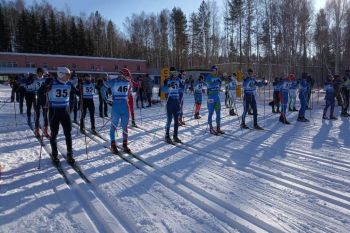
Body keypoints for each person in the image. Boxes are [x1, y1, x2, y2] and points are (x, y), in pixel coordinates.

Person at [40, 67, 75, 165]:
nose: (69, 77)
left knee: (68, 133)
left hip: (65, 111)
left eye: (69, 75)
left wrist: (80, 86)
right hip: (54, 111)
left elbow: (74, 93)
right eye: (67, 75)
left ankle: (70, 153)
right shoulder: (51, 83)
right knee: (54, 134)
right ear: (61, 74)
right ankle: (55, 154)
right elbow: (40, 93)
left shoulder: (69, 83)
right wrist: (44, 86)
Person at [102, 68, 132, 154]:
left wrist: (127, 98)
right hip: (116, 107)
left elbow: (129, 92)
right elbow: (102, 89)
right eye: (127, 76)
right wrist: (107, 100)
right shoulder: (113, 81)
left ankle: (125, 144)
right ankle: (113, 145)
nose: (128, 78)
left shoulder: (128, 82)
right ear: (122, 75)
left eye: (128, 76)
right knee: (114, 126)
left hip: (125, 107)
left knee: (125, 126)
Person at [162, 67, 183, 143]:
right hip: (170, 101)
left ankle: (175, 136)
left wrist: (182, 86)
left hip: (176, 101)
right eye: (173, 73)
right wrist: (168, 87)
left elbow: (182, 89)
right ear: (170, 73)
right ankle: (167, 136)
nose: (175, 74)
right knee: (169, 120)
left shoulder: (178, 80)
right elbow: (163, 90)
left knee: (176, 120)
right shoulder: (167, 80)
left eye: (176, 73)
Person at [205, 65, 224, 134]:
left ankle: (218, 128)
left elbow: (219, 86)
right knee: (210, 113)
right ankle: (211, 128)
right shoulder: (208, 77)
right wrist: (217, 82)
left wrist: (221, 83)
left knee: (218, 113)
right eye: (213, 70)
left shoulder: (217, 77)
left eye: (215, 70)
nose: (214, 71)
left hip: (217, 97)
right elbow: (209, 85)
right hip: (211, 97)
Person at [33, 68, 50, 137]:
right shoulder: (34, 80)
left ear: (43, 73)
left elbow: (49, 87)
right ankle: (37, 131)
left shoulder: (46, 79)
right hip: (36, 98)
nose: (40, 74)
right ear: (37, 73)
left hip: (44, 98)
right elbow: (30, 87)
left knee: (45, 115)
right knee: (37, 115)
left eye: (41, 73)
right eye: (38, 73)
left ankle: (46, 131)